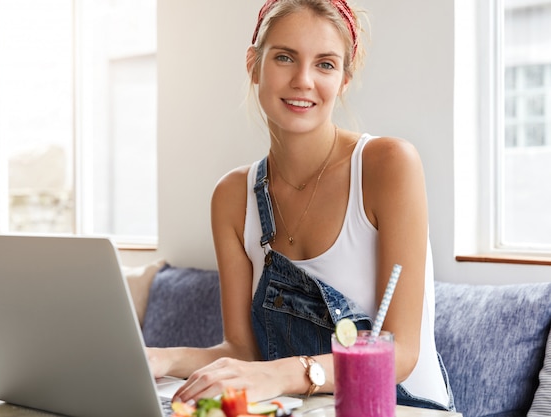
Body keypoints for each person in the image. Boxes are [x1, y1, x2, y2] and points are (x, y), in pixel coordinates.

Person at [147, 0, 454, 411]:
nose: (303, 80)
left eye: (325, 64)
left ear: (344, 79)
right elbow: (243, 351)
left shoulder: (388, 165)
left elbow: (398, 356)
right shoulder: (232, 196)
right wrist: (163, 358)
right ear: (253, 64)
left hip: (403, 407)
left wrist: (278, 375)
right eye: (284, 57)